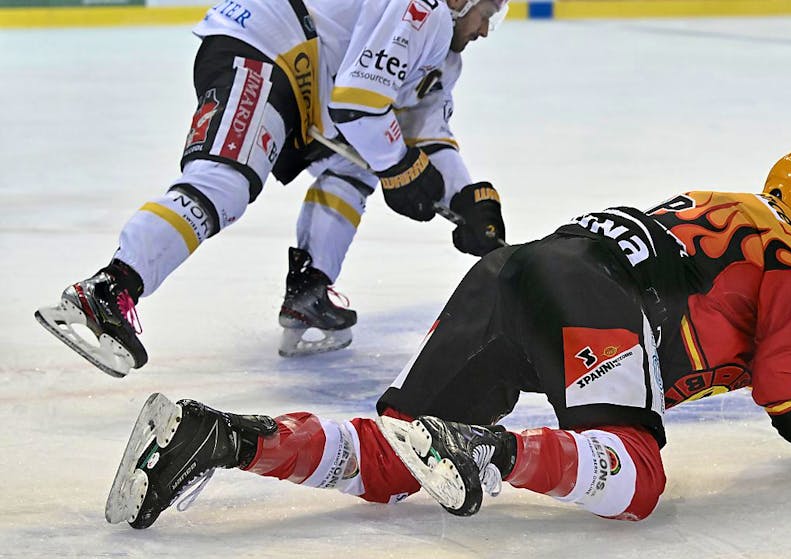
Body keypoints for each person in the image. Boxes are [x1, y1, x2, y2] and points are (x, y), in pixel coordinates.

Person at [104, 148, 791, 528]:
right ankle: (488, 452)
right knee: (636, 478)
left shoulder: (721, 205)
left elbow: (753, 333)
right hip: (596, 296)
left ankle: (217, 437)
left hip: (516, 270)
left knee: (393, 456)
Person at [34, 0, 509, 377]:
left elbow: (418, 129)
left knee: (364, 162)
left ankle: (310, 289)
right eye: (488, 12)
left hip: (308, 78)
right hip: (264, 47)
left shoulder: (442, 52)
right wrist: (402, 166)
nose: (487, 29)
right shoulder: (419, 9)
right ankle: (110, 287)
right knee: (225, 182)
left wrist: (467, 199)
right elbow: (363, 105)